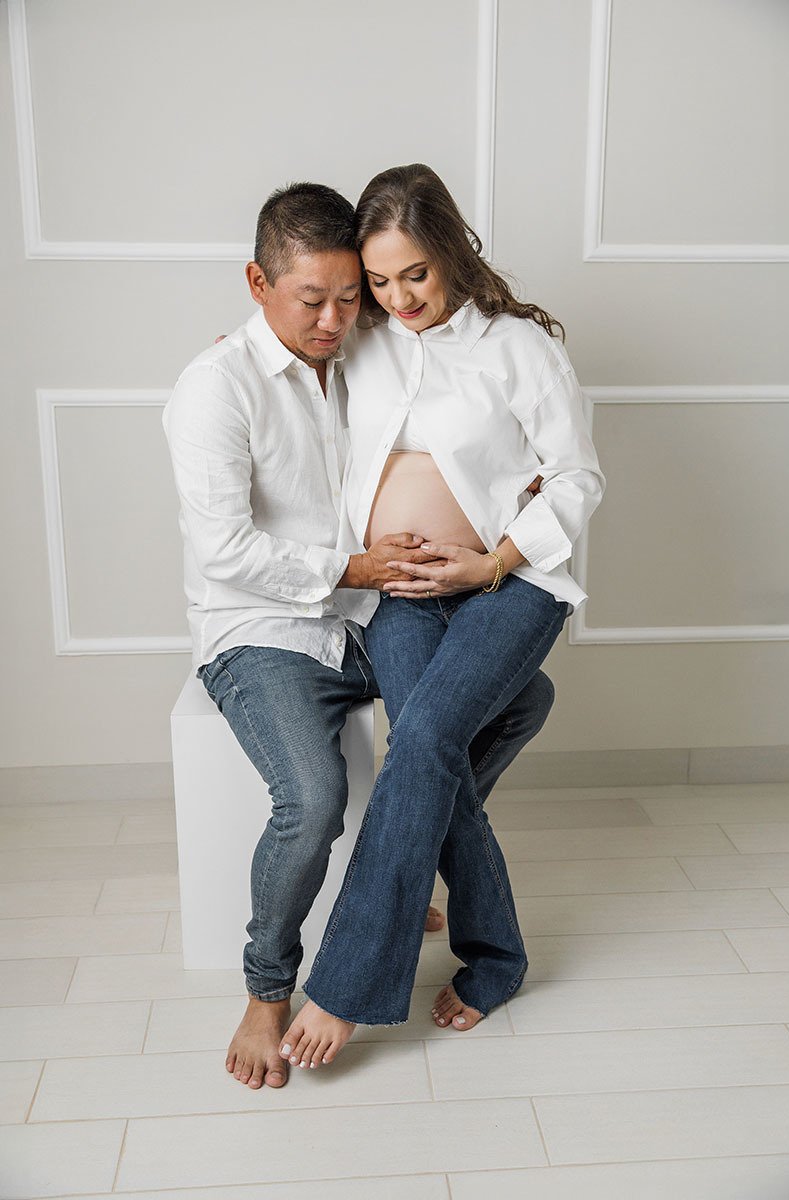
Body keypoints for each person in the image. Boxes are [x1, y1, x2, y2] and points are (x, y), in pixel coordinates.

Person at [163, 182, 557, 1090]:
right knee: (312, 800)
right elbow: (225, 551)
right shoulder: (214, 388)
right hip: (263, 630)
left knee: (521, 698)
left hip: (362, 619)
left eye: (351, 297)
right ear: (257, 283)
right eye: (313, 299)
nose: (336, 319)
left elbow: (458, 398)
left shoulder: (365, 349)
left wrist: (520, 485)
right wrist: (356, 568)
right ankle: (268, 990)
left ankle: (404, 865)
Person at [278, 164, 604, 1071]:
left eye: (414, 274)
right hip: (399, 592)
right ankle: (497, 956)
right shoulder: (363, 338)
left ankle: (343, 987)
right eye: (380, 281)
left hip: (510, 584)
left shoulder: (517, 348)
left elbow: (578, 476)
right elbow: (283, 352)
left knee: (422, 739)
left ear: (452, 252)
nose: (398, 298)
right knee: (433, 748)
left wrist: (494, 559)